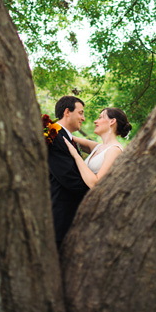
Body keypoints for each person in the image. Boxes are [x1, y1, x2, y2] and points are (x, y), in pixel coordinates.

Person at [47, 95, 89, 248]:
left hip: (69, 217)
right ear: (67, 112)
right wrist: (94, 194)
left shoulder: (66, 137)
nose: (83, 118)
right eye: (80, 113)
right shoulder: (54, 136)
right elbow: (67, 176)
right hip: (60, 217)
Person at [64, 108, 132, 188]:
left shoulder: (115, 150)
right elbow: (68, 137)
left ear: (112, 121)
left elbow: (96, 184)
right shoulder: (98, 147)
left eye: (100, 117)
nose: (95, 121)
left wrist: (76, 156)